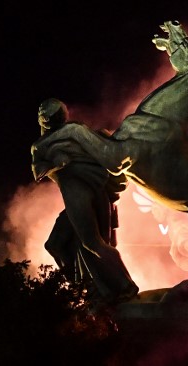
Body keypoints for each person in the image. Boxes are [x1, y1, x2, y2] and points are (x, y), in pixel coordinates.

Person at [31, 98, 139, 309]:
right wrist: (56, 162)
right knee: (56, 244)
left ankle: (124, 286)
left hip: (84, 193)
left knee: (93, 243)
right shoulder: (49, 142)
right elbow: (39, 171)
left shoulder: (69, 133)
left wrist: (58, 162)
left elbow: (106, 154)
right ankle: (87, 288)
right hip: (84, 194)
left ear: (43, 120)